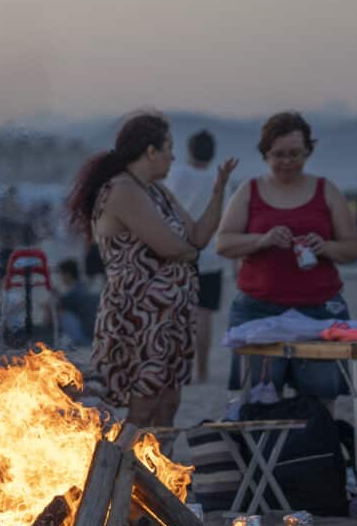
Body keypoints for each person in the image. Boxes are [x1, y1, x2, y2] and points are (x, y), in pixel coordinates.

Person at [65, 111, 237, 427]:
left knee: (168, 405)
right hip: (139, 317)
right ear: (150, 151)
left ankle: (158, 473)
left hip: (170, 318)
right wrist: (187, 253)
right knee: (143, 407)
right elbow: (171, 247)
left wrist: (218, 191)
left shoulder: (157, 191)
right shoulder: (122, 190)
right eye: (169, 148)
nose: (173, 157)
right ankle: (125, 474)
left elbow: (197, 236)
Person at [216, 111, 357, 412]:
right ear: (265, 154)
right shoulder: (250, 190)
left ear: (308, 150)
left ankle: (316, 454)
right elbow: (224, 243)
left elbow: (352, 248)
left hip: (319, 309)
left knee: (321, 401)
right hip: (258, 309)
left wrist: (326, 247)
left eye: (295, 153)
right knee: (256, 401)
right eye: (278, 154)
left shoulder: (326, 190)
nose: (287, 161)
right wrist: (261, 240)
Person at [166, 129, 225, 382]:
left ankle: (181, 369)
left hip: (180, 251)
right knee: (204, 314)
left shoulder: (176, 174)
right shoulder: (217, 178)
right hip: (211, 254)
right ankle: (202, 371)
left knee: (179, 314)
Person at [54, 258, 99, 346]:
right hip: (94, 334)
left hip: (86, 337)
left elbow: (57, 306)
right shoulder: (83, 287)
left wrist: (54, 296)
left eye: (61, 274)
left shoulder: (75, 293)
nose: (60, 278)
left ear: (67, 274)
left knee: (64, 315)